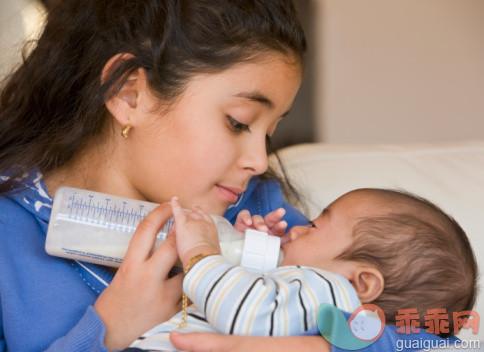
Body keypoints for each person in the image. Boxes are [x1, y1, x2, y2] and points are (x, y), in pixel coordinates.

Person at [0, 1, 463, 352]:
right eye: (240, 122)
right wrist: (107, 329)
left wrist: (325, 345)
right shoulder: (9, 239)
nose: (260, 161)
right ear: (129, 93)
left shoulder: (261, 216)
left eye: (269, 132)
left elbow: (455, 333)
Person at [127, 188, 478, 351]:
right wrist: (249, 253)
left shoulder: (334, 293)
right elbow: (266, 308)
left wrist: (202, 253)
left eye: (313, 226)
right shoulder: (317, 303)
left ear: (363, 283)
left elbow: (247, 316)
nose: (295, 229)